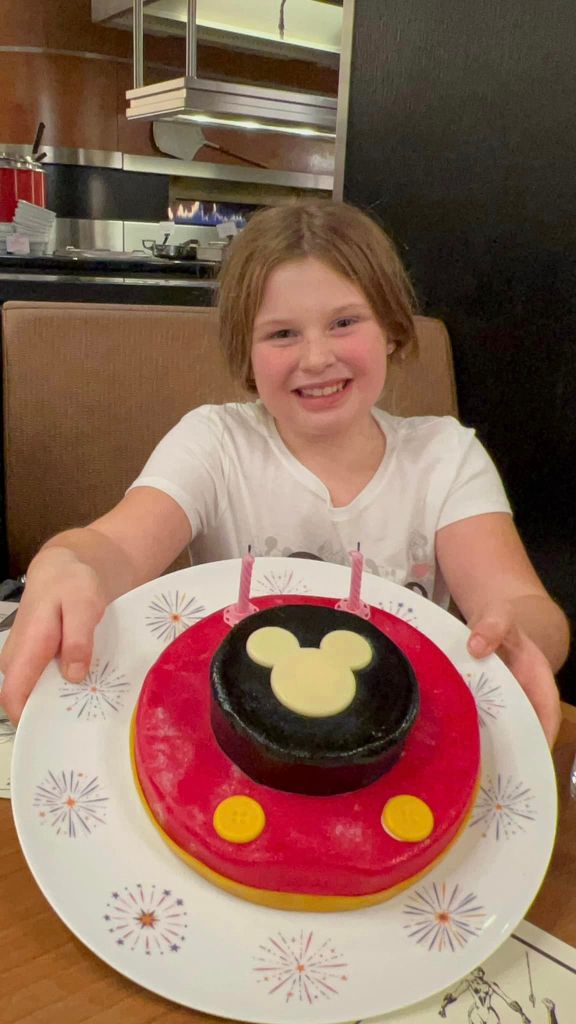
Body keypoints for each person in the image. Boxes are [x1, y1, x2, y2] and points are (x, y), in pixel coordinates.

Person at [0, 201, 569, 740]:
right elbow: (116, 548)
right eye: (282, 334)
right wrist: (67, 562)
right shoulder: (216, 442)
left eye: (344, 322)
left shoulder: (446, 456)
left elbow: (520, 603)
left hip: (401, 740)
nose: (316, 357)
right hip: (239, 732)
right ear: (246, 354)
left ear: (392, 329)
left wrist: (522, 637)